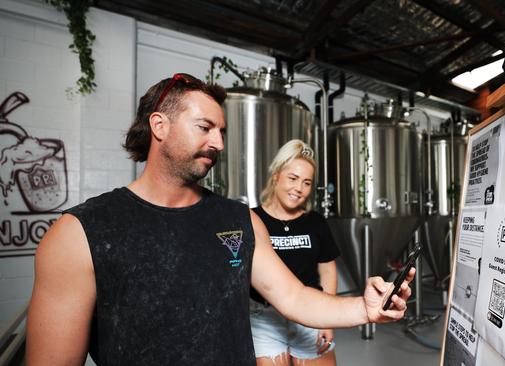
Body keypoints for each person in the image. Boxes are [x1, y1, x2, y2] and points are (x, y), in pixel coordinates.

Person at [26, 73, 415, 365]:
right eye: (205, 128)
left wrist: (364, 309)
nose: (219, 144)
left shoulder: (239, 220)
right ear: (159, 126)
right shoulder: (80, 233)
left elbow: (294, 297)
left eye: (223, 131)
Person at [250, 140, 339, 366]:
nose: (299, 188)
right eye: (293, 178)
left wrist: (326, 320)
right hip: (264, 318)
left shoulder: (315, 222)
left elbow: (328, 272)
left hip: (310, 313)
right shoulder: (252, 219)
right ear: (276, 175)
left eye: (306, 182)